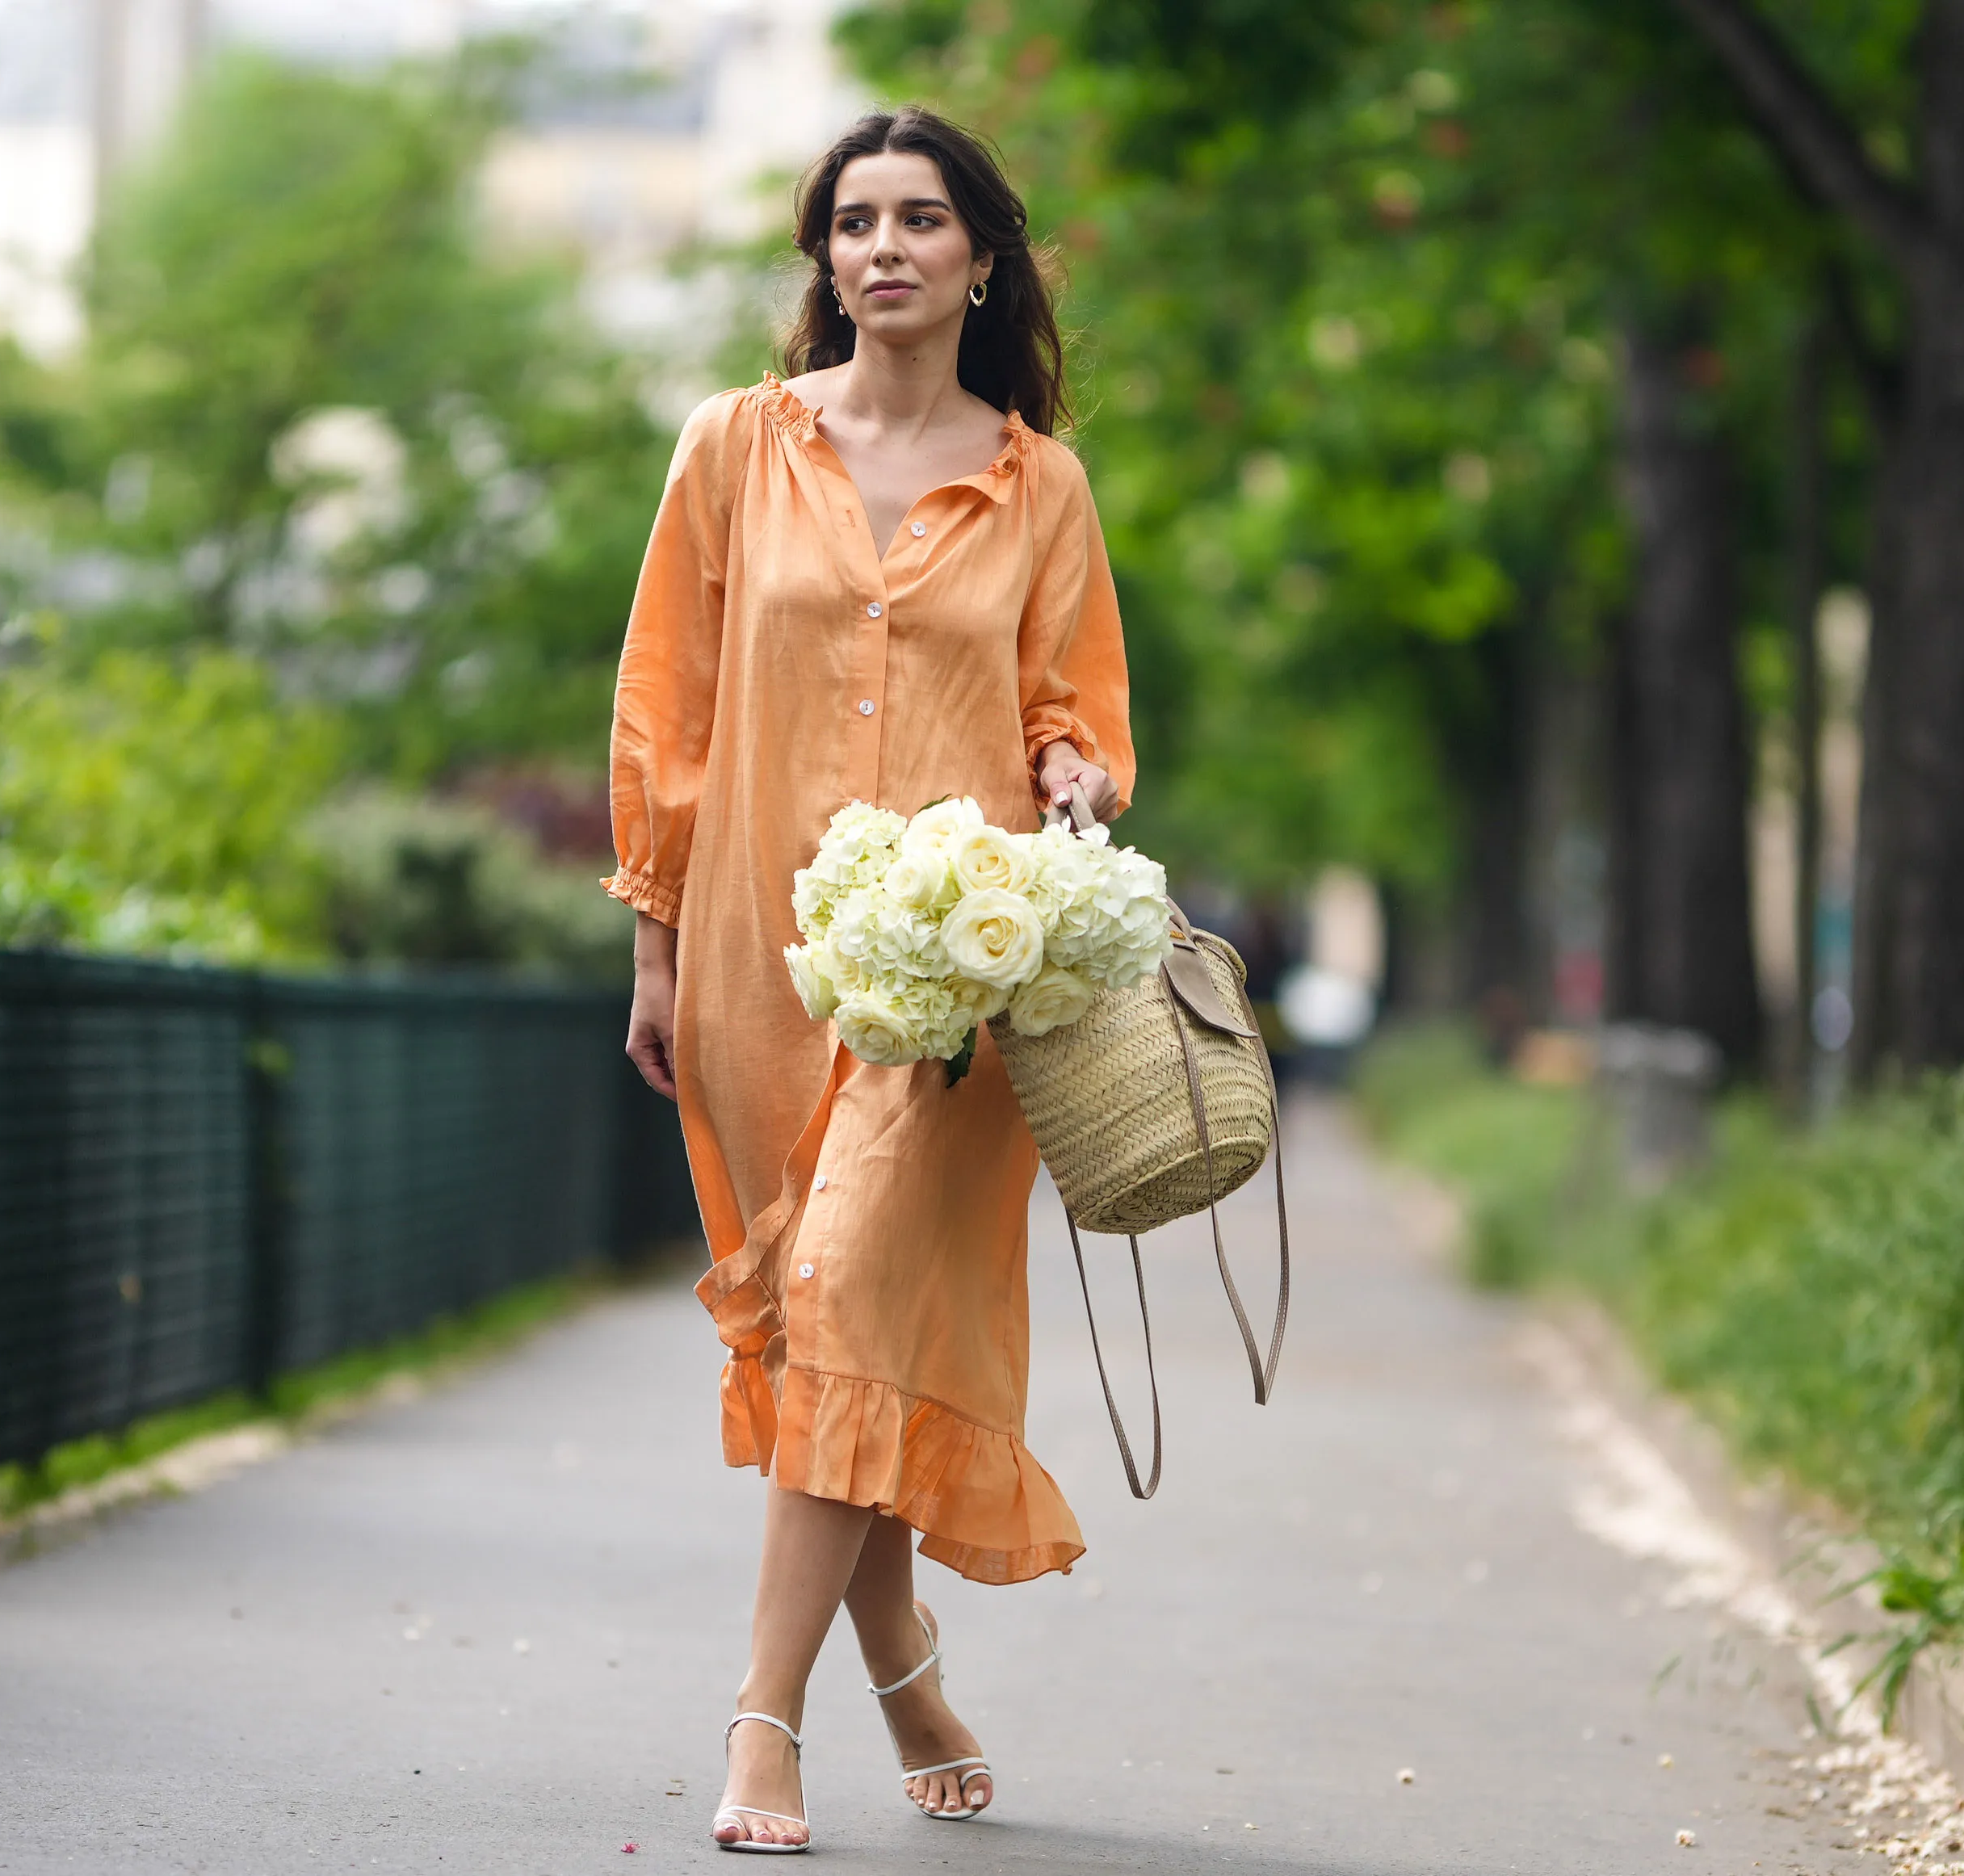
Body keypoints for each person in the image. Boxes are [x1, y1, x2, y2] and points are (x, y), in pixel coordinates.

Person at [602, 107, 1133, 1853]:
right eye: (853, 222)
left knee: (841, 1299)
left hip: (952, 986)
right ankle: (902, 1653)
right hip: (764, 966)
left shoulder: (1038, 482)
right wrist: (657, 945)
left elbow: (1075, 710)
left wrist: (1075, 780)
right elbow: (661, 713)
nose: (883, 249)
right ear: (822, 259)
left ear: (983, 258)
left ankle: (763, 1728)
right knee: (842, 1328)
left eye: (920, 221)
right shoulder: (732, 450)